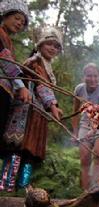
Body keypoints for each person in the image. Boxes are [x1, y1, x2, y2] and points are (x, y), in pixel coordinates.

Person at [13, 26, 63, 190]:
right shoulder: (34, 62)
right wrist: (53, 106)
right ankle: (6, 186)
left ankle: (23, 188)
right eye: (49, 44)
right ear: (40, 45)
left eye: (56, 46)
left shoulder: (47, 66)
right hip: (25, 115)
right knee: (18, 149)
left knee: (31, 153)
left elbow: (45, 87)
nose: (53, 48)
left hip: (38, 115)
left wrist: (54, 106)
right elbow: (41, 86)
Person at [0, 0, 31, 192]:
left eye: (23, 21)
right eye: (17, 18)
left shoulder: (7, 39)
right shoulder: (1, 36)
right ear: (5, 15)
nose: (19, 23)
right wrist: (21, 85)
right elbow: (5, 61)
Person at [72, 63, 99, 190]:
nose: (92, 79)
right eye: (89, 76)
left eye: (95, 76)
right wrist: (75, 132)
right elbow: (75, 112)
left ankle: (97, 190)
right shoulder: (79, 89)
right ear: (84, 77)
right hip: (85, 125)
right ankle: (85, 193)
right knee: (84, 159)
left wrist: (93, 131)